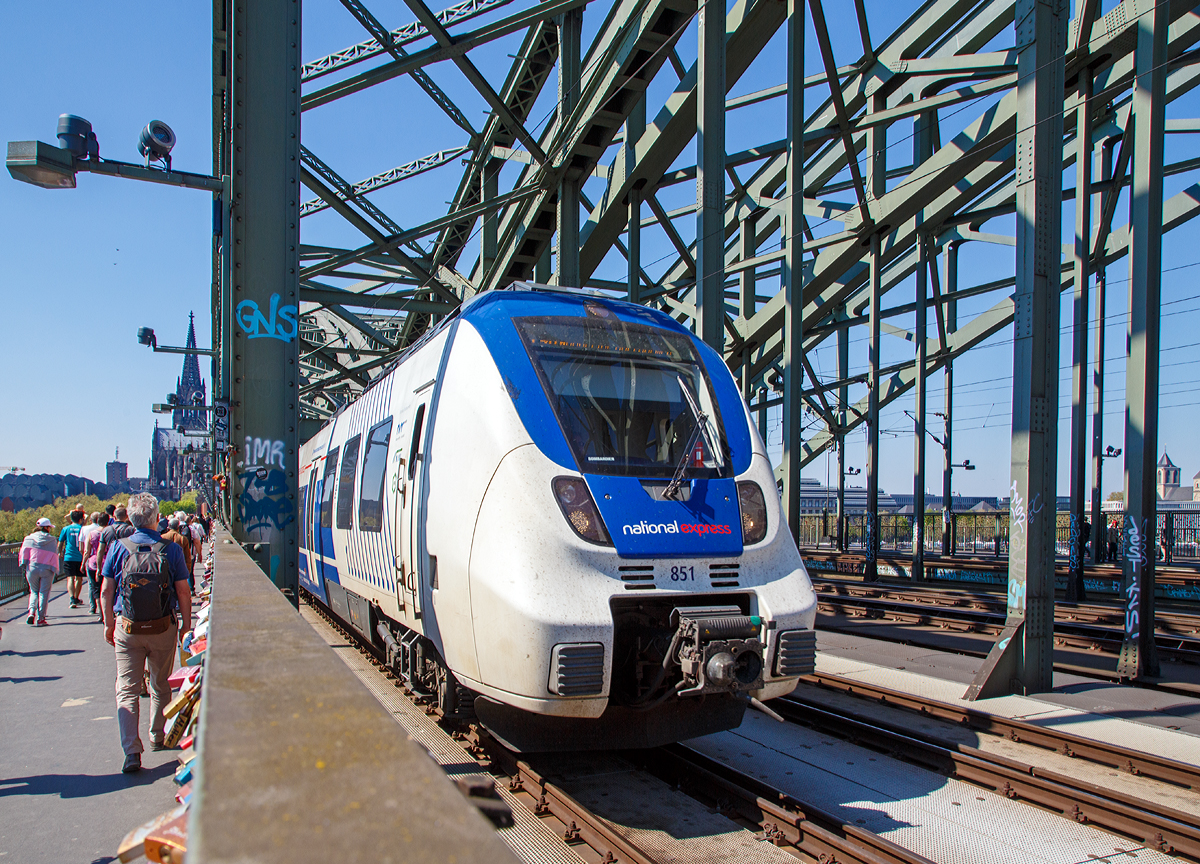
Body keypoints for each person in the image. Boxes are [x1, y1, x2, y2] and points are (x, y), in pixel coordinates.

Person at [101, 493, 192, 773]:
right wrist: (185, 626)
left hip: (127, 628)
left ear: (130, 518)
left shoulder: (117, 548)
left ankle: (131, 750)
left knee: (127, 690)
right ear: (156, 518)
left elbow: (106, 590)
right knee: (160, 683)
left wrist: (108, 623)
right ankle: (157, 735)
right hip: (163, 627)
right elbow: (183, 591)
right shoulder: (171, 549)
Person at [95, 507, 136, 623]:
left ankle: (106, 614)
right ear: (127, 517)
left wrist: (99, 567)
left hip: (110, 562)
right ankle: (122, 610)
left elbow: (100, 550)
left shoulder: (106, 530)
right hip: (126, 562)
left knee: (108, 589)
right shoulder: (131, 530)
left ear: (114, 517)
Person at [20, 518, 60, 625]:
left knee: (33, 591)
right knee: (43, 593)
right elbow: (54, 554)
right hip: (47, 568)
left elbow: (24, 553)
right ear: (47, 528)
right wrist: (55, 568)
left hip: (32, 567)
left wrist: (24, 564)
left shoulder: (28, 538)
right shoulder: (52, 540)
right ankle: (41, 618)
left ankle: (31, 612)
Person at [82, 513, 110, 615]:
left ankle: (100, 611)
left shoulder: (92, 533)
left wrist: (83, 563)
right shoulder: (110, 532)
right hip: (107, 562)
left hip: (93, 563)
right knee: (108, 588)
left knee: (95, 588)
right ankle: (108, 610)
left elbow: (87, 551)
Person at [58, 510, 86, 608]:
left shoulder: (66, 529)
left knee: (70, 578)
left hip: (69, 556)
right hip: (80, 557)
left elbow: (60, 542)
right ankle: (76, 597)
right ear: (80, 519)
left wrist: (59, 552)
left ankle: (72, 598)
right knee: (79, 578)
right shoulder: (83, 529)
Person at [79, 513, 103, 614]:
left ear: (91, 520)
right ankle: (105, 608)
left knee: (92, 585)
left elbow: (84, 549)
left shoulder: (86, 530)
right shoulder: (106, 530)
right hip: (105, 561)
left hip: (92, 561)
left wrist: (84, 562)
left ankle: (93, 606)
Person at [162, 519, 194, 593]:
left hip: (165, 569)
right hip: (179, 569)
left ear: (168, 527)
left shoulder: (162, 538)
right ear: (178, 527)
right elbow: (187, 558)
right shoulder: (183, 539)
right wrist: (187, 572)